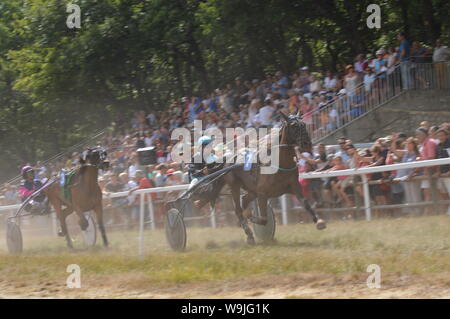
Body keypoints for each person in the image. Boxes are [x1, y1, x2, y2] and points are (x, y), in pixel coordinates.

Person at [434, 128, 450, 216]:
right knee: (443, 191)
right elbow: (438, 160)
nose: (440, 137)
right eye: (439, 135)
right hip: (442, 174)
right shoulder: (438, 146)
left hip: (448, 174)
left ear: (446, 135)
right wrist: (438, 171)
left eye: (442, 135)